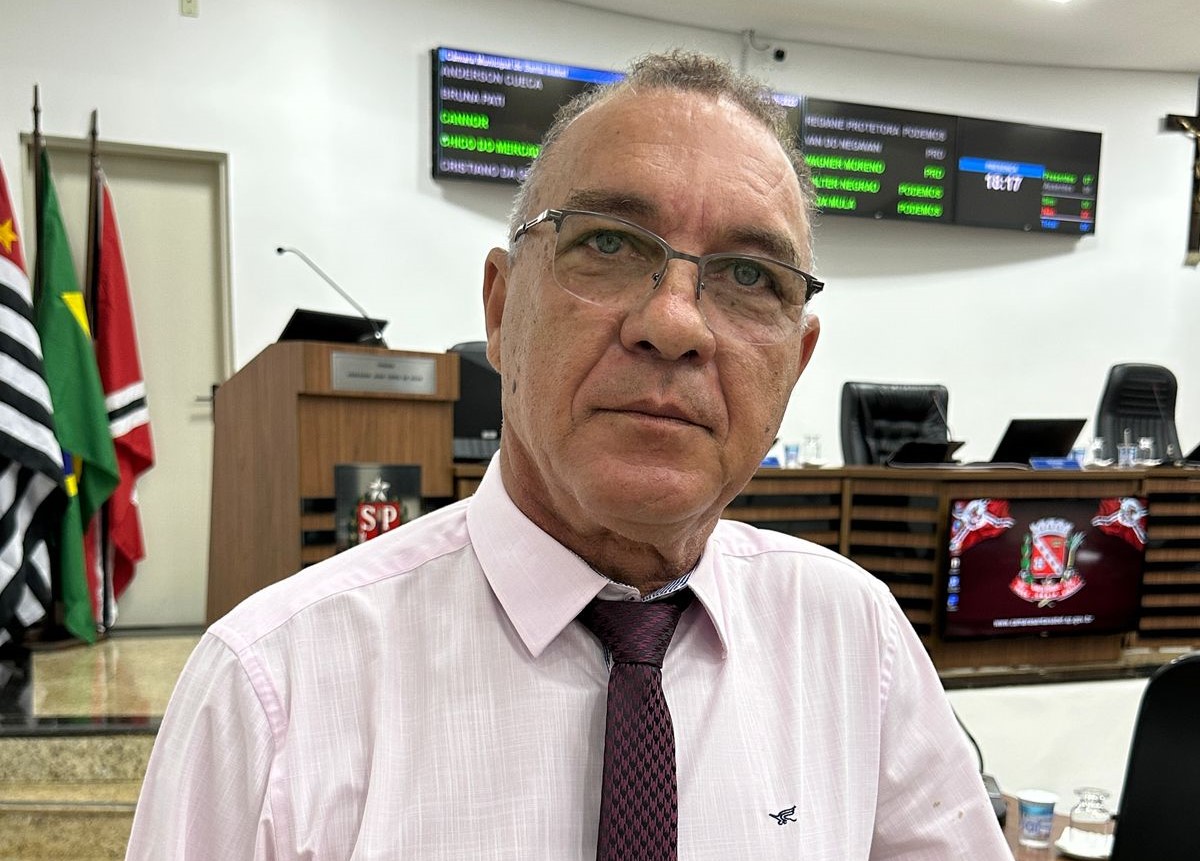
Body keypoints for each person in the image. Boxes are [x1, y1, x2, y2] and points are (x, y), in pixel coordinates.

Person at [126, 50, 1010, 859]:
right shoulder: (270, 693)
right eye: (609, 243)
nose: (674, 323)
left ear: (797, 363)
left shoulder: (855, 640)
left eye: (749, 276)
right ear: (500, 309)